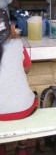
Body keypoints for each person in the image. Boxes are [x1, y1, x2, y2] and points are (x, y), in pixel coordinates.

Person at [0, 9, 38, 155]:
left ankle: (1, 147)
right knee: (31, 97)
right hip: (23, 109)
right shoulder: (17, 44)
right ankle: (22, 148)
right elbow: (27, 69)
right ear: (9, 26)